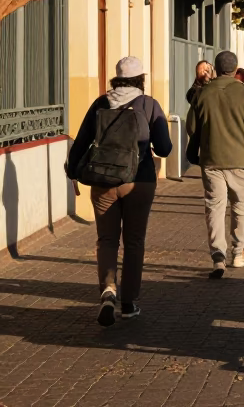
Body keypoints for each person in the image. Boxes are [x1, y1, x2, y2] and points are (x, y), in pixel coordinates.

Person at [67, 57, 172, 327]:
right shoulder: (149, 105)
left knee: (106, 239)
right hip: (140, 181)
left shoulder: (100, 103)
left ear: (116, 78)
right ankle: (128, 303)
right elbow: (164, 149)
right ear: (141, 79)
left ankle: (108, 291)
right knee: (134, 243)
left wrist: (72, 171)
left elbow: (80, 143)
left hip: (102, 181)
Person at [187, 51, 244, 278]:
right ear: (236, 69)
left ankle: (217, 255)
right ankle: (238, 252)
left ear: (215, 67)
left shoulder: (202, 93)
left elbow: (192, 128)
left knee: (214, 206)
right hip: (240, 159)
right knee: (240, 206)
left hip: (211, 159)